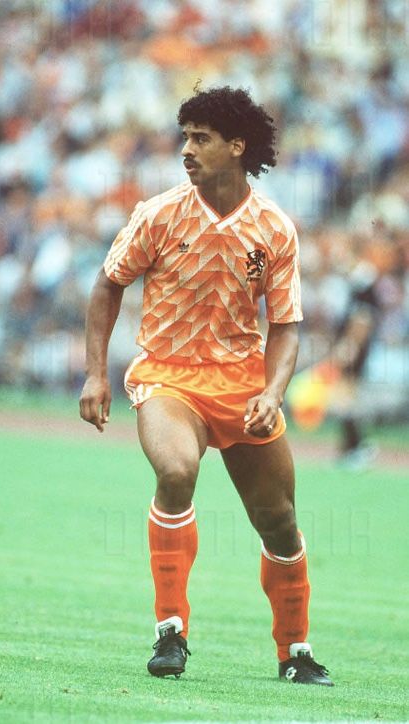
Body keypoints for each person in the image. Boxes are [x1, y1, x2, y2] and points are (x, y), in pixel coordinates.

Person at [79, 86, 333, 686]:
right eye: (185, 137)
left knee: (279, 521)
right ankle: (171, 631)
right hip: (169, 374)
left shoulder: (274, 228)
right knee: (175, 471)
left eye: (202, 138)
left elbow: (287, 326)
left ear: (237, 146)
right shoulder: (159, 214)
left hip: (244, 386)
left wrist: (272, 392)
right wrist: (95, 372)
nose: (187, 150)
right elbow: (107, 284)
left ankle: (295, 651)